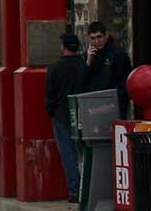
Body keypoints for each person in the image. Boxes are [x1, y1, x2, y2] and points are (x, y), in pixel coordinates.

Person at [44, 32, 88, 202]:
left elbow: (50, 95)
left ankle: (75, 190)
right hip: (83, 112)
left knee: (68, 155)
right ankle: (87, 186)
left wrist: (51, 112)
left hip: (62, 115)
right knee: (86, 151)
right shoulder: (84, 65)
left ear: (63, 47)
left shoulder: (55, 68)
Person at [83, 21, 133, 116]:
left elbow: (125, 84)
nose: (97, 41)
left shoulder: (118, 55)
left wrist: (119, 106)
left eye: (99, 37)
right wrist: (88, 62)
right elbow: (81, 82)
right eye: (93, 38)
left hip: (113, 108)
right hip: (94, 108)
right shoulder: (89, 56)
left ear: (106, 36)